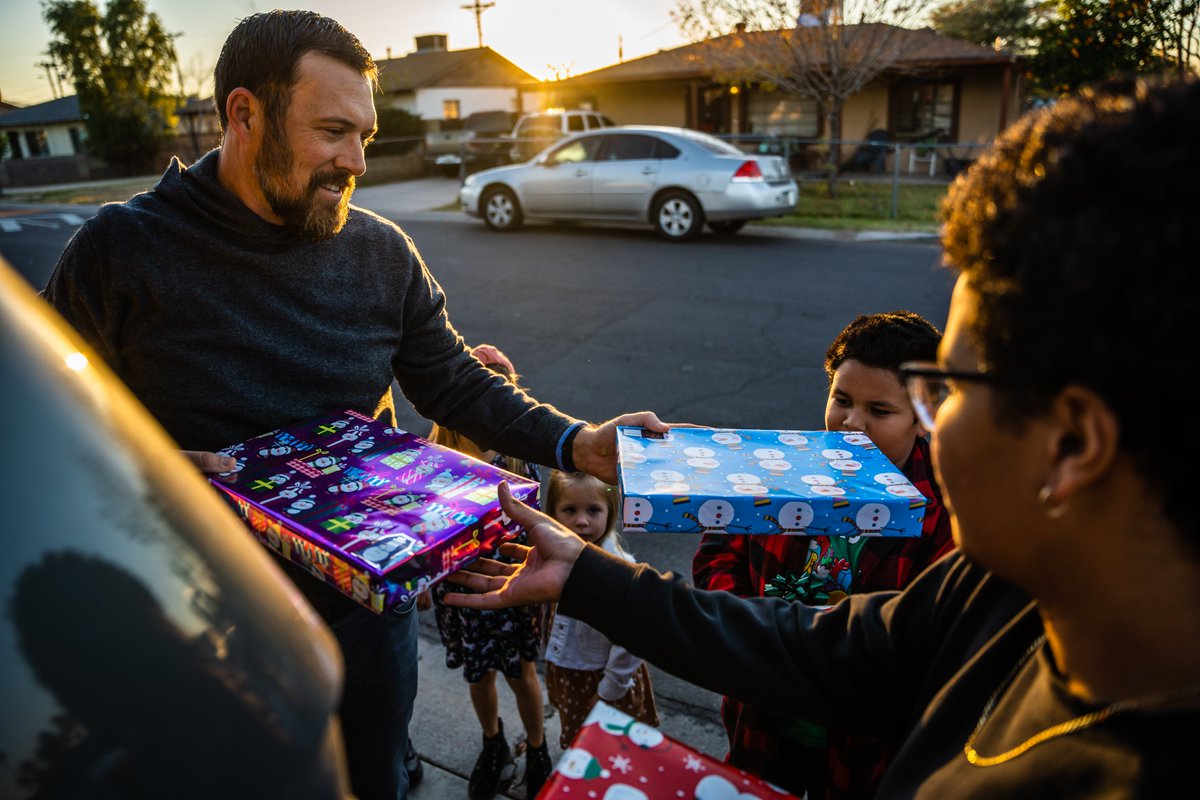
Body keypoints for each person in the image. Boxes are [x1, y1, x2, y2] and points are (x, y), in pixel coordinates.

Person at [444, 76, 1200, 797]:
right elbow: (827, 650)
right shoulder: (1001, 588)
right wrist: (586, 574)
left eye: (945, 391)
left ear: (1071, 447)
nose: (925, 423)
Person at [38, 11, 665, 800]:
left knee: (372, 780)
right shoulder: (121, 251)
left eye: (364, 136)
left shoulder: (380, 250)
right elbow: (34, 413)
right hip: (194, 627)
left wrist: (579, 443)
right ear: (243, 114)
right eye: (334, 132)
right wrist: (135, 464)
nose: (357, 162)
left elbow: (454, 382)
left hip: (366, 617)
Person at [691, 310, 954, 798]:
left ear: (924, 417)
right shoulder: (778, 469)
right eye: (842, 400)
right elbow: (718, 551)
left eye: (880, 410)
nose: (852, 423)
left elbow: (930, 642)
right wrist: (748, 632)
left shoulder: (941, 516)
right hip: (762, 718)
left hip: (863, 748)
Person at [421, 343, 553, 800]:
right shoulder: (433, 458)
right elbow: (419, 529)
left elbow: (543, 533)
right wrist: (420, 579)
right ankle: (493, 741)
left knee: (523, 675)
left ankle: (537, 750)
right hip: (458, 590)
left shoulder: (520, 463)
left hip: (513, 587)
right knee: (478, 675)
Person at [542, 470, 660, 748]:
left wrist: (609, 690)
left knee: (613, 748)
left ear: (610, 513)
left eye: (593, 510)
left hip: (603, 678)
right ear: (553, 513)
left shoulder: (618, 568)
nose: (581, 521)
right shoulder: (556, 555)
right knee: (583, 748)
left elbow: (631, 641)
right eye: (569, 510)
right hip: (572, 669)